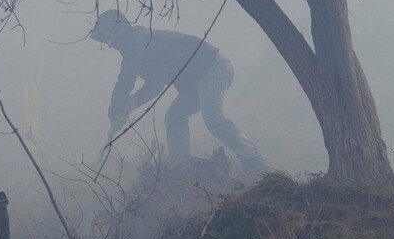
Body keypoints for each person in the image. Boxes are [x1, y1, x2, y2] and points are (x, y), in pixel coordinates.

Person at [91, 9, 268, 176]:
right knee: (174, 118)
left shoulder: (140, 42)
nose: (109, 44)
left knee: (213, 119)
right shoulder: (138, 47)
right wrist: (131, 103)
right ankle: (182, 165)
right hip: (195, 81)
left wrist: (118, 105)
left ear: (118, 30)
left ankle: (254, 161)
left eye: (109, 38)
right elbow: (155, 85)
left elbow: (126, 79)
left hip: (212, 68)